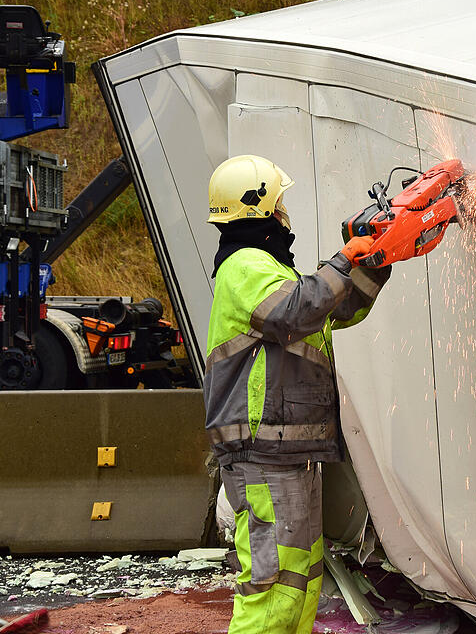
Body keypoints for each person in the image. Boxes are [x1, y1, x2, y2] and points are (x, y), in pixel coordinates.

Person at [204, 154, 389, 634]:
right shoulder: (245, 266)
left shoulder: (272, 271)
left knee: (297, 585)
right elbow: (295, 310)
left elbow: (333, 312)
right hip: (264, 455)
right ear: (259, 204)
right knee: (271, 592)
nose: (283, 210)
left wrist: (376, 261)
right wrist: (345, 258)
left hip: (289, 454)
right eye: (278, 199)